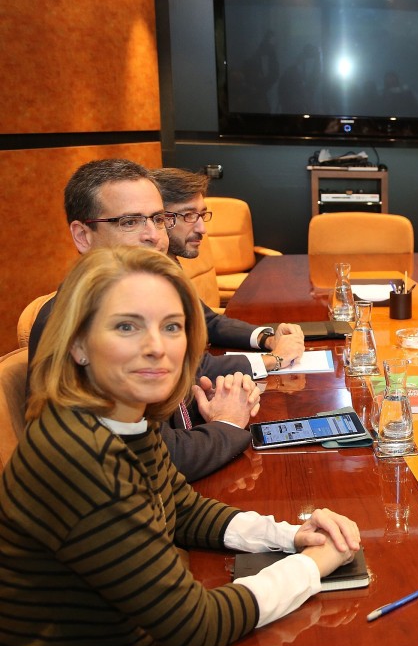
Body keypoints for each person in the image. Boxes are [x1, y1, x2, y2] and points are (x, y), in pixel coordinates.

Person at [0, 246, 360, 646]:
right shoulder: (80, 458)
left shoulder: (121, 418)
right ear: (78, 344)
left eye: (171, 326)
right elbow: (196, 627)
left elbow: (182, 508)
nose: (157, 347)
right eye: (127, 326)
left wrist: (290, 535)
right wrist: (313, 565)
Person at [28, 159, 288, 480]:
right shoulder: (76, 323)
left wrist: (199, 404)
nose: (153, 236)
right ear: (83, 236)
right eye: (130, 222)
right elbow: (155, 461)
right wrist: (228, 423)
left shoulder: (147, 300)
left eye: (158, 219)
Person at [151, 166, 306, 377]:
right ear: (160, 218)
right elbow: (191, 368)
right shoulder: (145, 280)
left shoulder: (167, 264)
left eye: (201, 215)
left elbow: (209, 322)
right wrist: (274, 359)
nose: (202, 229)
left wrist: (268, 339)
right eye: (189, 215)